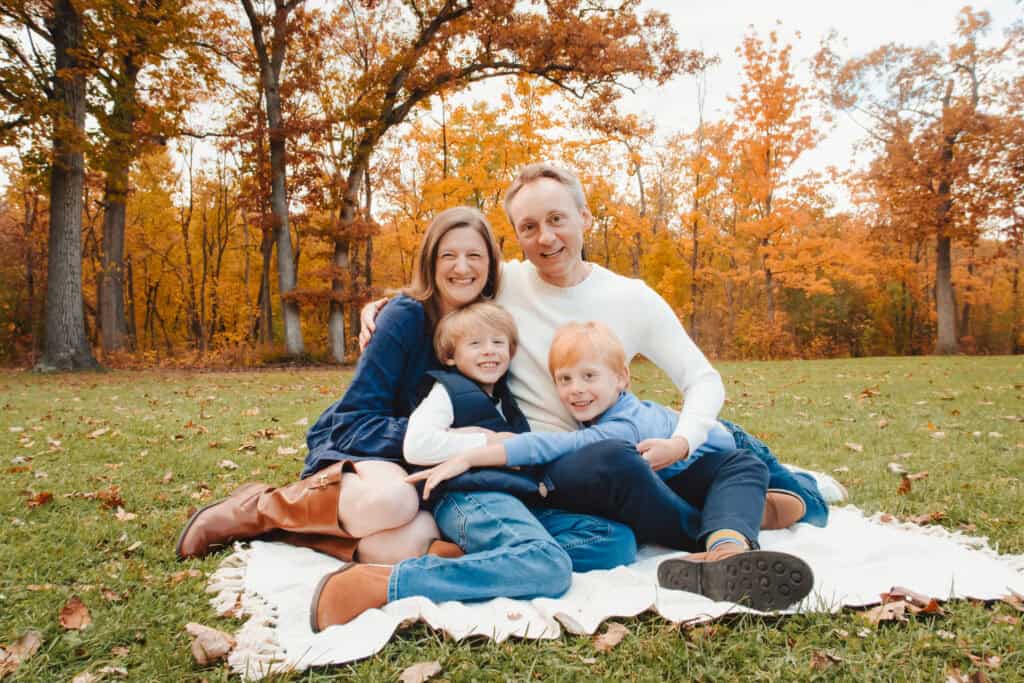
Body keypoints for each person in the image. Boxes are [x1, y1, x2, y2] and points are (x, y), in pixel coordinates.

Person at [176, 208, 635, 586]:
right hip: (369, 448)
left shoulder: (489, 326)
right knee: (391, 504)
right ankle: (261, 508)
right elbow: (354, 420)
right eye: (449, 255)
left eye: (475, 255)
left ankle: (298, 537)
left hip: (437, 467)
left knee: (401, 545)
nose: (462, 267)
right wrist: (443, 438)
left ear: (491, 265)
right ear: (431, 263)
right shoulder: (403, 318)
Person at [408, 320, 817, 610]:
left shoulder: (629, 422)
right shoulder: (608, 428)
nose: (576, 390)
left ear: (622, 378)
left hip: (688, 465)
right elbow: (552, 443)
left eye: (589, 376)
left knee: (749, 467)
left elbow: (547, 445)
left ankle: (726, 548)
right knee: (624, 468)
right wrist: (467, 452)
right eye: (565, 380)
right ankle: (719, 534)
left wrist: (681, 443)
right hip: (644, 480)